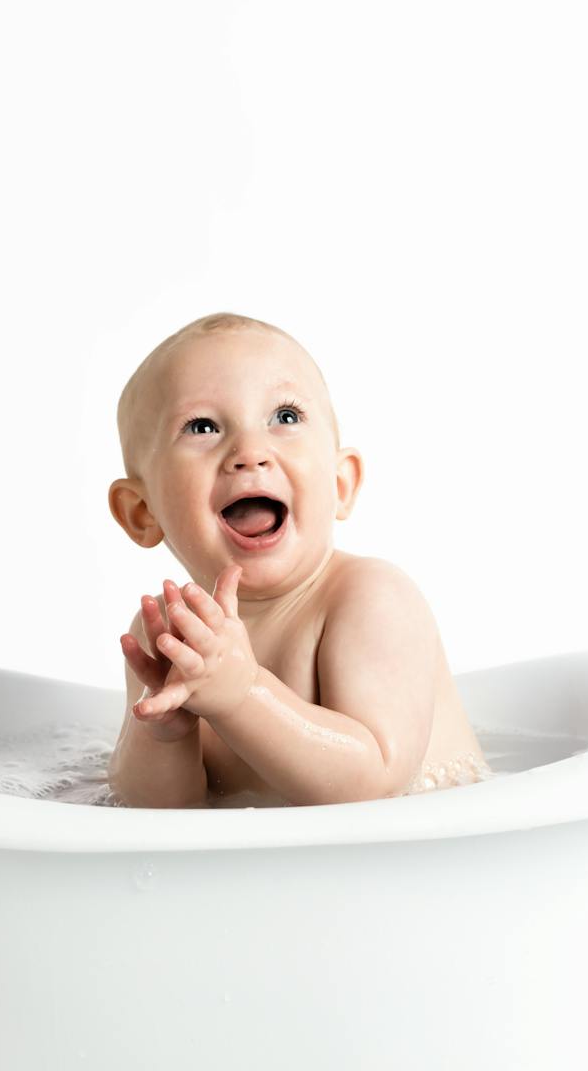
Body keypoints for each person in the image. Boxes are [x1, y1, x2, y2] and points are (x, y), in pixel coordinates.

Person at [106, 312, 493, 807]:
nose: (250, 451)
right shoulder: (167, 632)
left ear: (340, 484)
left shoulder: (370, 599)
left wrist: (243, 694)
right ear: (142, 513)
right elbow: (156, 812)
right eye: (202, 427)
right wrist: (163, 735)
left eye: (284, 417)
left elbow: (378, 782)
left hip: (424, 860)